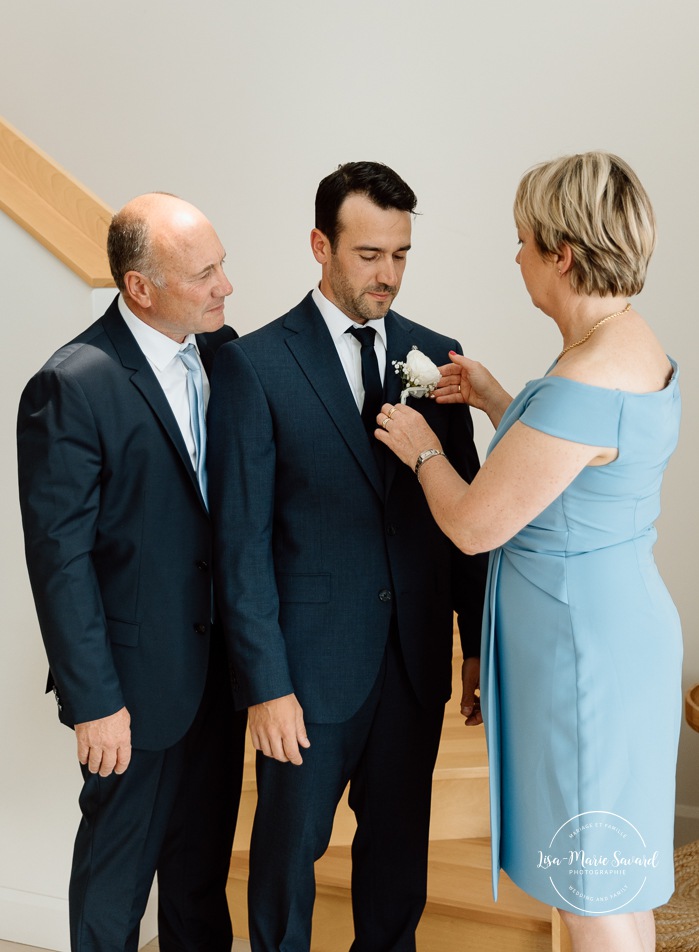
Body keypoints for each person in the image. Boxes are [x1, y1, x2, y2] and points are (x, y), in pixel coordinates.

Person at [376, 151, 682, 952]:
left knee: (590, 884)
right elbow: (573, 465)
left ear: (562, 254)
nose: (514, 258)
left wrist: (420, 450)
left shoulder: (586, 377)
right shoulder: (624, 345)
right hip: (611, 627)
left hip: (587, 652)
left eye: (521, 241)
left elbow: (477, 524)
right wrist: (494, 399)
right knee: (611, 870)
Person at [208, 161, 488, 952]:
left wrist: (475, 644)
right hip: (304, 676)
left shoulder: (438, 357)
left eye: (400, 255)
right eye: (369, 255)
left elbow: (459, 505)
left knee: (398, 866)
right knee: (285, 863)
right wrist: (265, 685)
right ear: (319, 246)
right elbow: (240, 543)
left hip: (411, 664)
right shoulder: (253, 365)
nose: (387, 275)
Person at [17, 193, 247, 952]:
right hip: (131, 691)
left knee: (199, 882)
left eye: (221, 266)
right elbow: (61, 560)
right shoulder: (72, 384)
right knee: (116, 892)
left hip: (219, 677)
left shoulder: (221, 352)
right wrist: (95, 702)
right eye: (204, 273)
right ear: (140, 288)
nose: (225, 287)